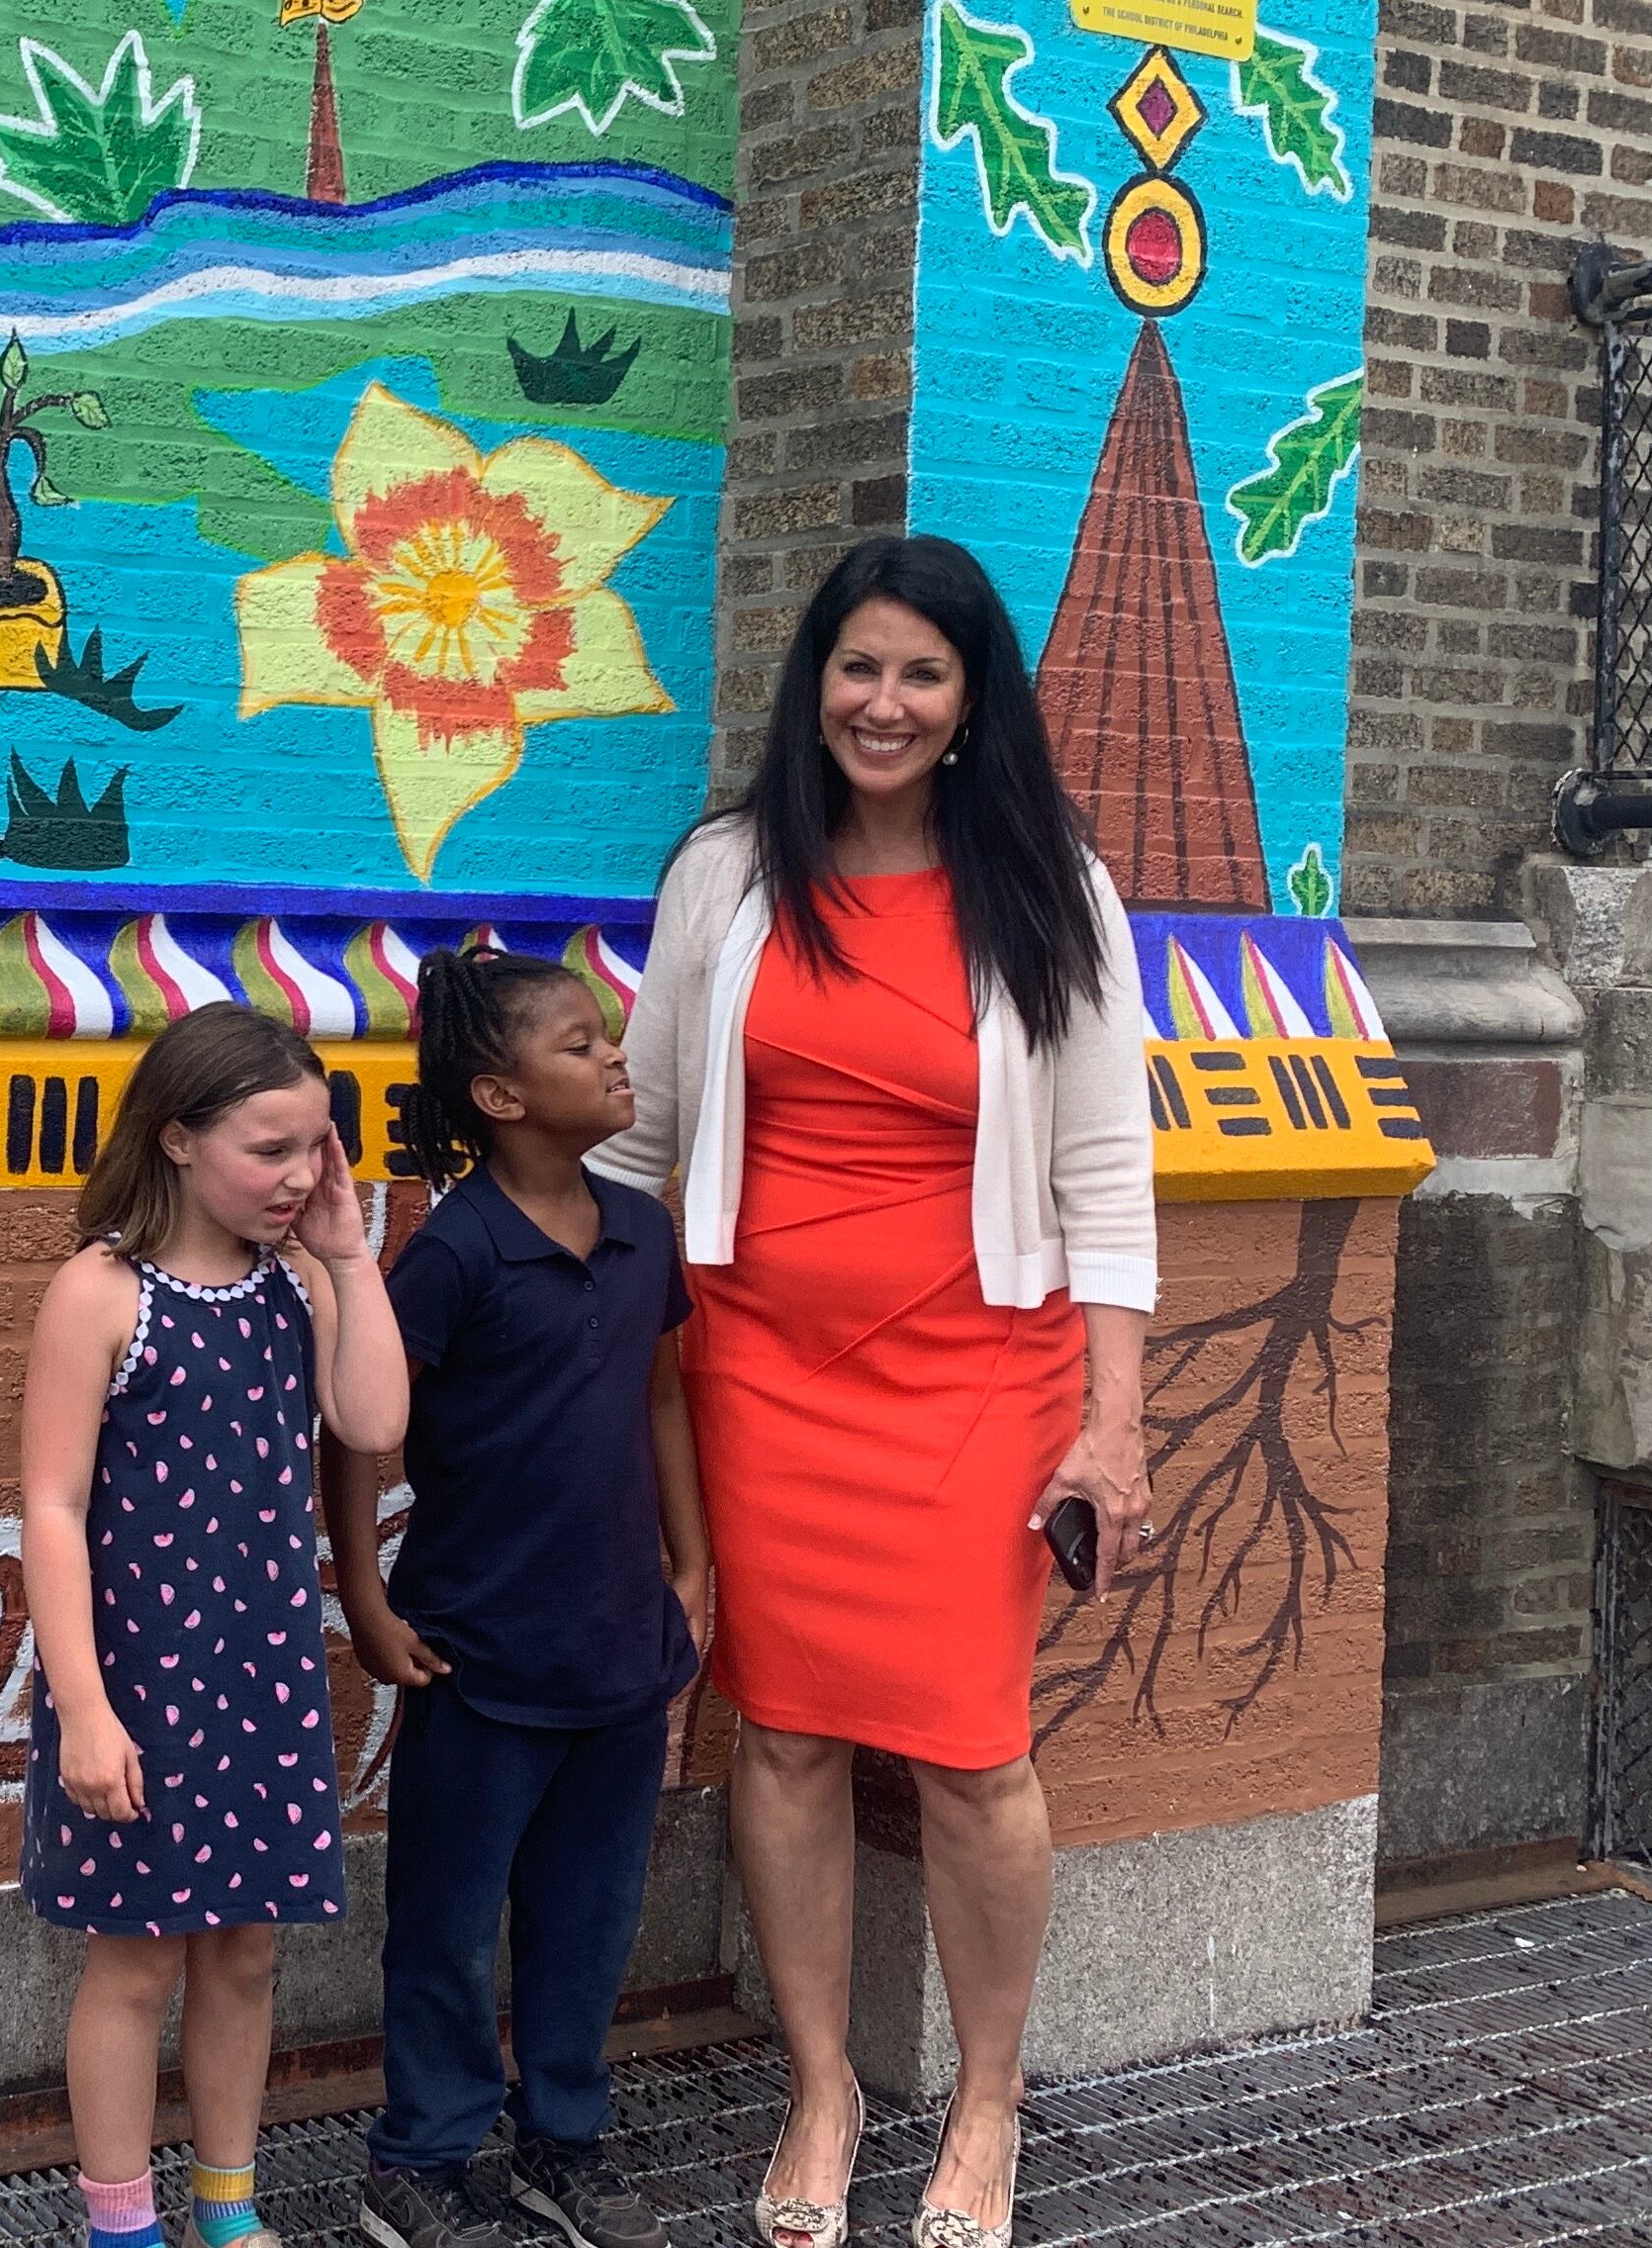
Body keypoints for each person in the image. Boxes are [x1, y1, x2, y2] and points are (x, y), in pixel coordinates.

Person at [597, 535, 1154, 2248]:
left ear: (972, 696)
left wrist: (1111, 1419)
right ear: (811, 682)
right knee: (785, 1731)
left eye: (921, 672)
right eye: (857, 668)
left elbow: (1104, 1170)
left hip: (976, 1370)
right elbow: (643, 1127)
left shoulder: (1049, 886)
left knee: (978, 1752)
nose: (884, 702)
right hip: (756, 1367)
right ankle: (822, 2081)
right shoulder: (724, 873)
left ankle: (987, 2099)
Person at [323, 948, 708, 2248]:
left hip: (619, 1656)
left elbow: (663, 1394)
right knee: (444, 1921)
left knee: (589, 1918)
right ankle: (417, 2162)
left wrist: (692, 1564)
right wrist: (366, 1602)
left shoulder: (645, 1230)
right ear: (498, 1095)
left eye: (609, 1037)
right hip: (476, 1660)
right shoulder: (454, 1255)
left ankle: (563, 2143)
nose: (614, 1057)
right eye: (579, 1042)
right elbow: (357, 1429)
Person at [20, 1004, 410, 2248]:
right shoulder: (100, 1292)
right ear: (179, 1138)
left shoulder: (294, 1284)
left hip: (262, 1677)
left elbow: (373, 1424)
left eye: (320, 1149)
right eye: (271, 1147)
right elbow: (53, 1507)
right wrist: (82, 1704)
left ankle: (227, 2210)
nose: (301, 1176)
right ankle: (123, 2225)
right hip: (140, 1682)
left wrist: (351, 1260)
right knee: (137, 1961)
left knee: (246, 1953)